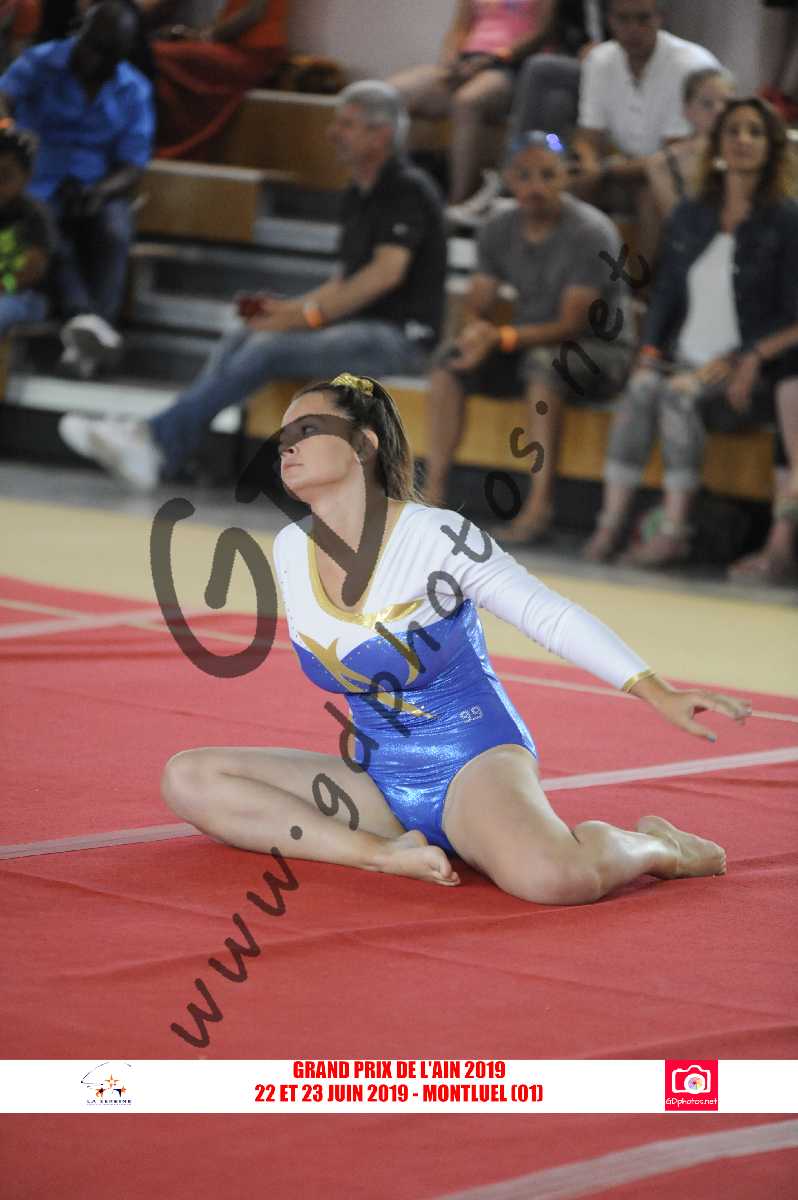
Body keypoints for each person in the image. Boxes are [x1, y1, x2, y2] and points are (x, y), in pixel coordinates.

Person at [160, 371, 750, 902]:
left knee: (554, 879)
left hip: (473, 762)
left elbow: (549, 616)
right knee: (188, 777)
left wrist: (655, 690)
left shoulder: (436, 536)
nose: (286, 445)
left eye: (308, 429)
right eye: (284, 434)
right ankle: (381, 854)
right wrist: (377, 840)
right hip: (378, 780)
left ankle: (657, 846)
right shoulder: (291, 547)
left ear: (364, 445)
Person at [58, 81, 447, 490]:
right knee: (244, 334)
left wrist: (306, 317)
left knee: (269, 348)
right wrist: (284, 312)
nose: (333, 133)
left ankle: (154, 439)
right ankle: (169, 452)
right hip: (356, 328)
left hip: (401, 339)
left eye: (347, 124)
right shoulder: (358, 192)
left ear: (380, 135)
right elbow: (343, 282)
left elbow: (385, 274)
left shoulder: (407, 189)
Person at [583, 98, 798, 574]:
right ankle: (609, 523)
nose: (743, 140)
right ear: (717, 144)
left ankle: (674, 531)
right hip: (680, 357)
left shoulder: (786, 220)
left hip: (741, 372)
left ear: (772, 147)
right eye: (733, 131)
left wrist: (746, 357)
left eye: (755, 132)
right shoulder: (691, 214)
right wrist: (650, 352)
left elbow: (793, 313)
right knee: (641, 389)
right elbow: (665, 294)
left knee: (678, 397)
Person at [423, 130, 634, 543]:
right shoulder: (498, 227)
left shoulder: (591, 232)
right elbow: (479, 301)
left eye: (547, 175)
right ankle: (432, 496)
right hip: (532, 340)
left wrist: (499, 337)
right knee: (450, 360)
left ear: (565, 177)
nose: (535, 186)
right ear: (508, 179)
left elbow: (572, 324)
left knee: (544, 367)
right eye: (524, 175)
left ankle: (539, 508)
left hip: (600, 350)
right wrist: (475, 333)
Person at [0, 1, 154, 377]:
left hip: (95, 186)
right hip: (35, 181)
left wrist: (99, 191)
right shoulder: (42, 61)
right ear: (80, 31)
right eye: (91, 44)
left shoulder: (133, 88)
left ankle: (92, 339)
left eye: (107, 52)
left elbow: (133, 164)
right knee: (45, 222)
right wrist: (9, 130)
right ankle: (84, 321)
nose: (93, 58)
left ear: (123, 52)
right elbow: (3, 97)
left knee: (114, 230)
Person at [570, 0, 720, 264]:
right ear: (610, 20)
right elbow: (588, 135)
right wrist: (588, 162)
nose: (633, 29)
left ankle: (641, 285)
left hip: (683, 173)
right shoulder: (599, 59)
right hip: (622, 167)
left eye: (642, 19)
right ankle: (579, 276)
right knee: (571, 181)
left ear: (660, 18)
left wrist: (604, 168)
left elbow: (673, 156)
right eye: (623, 19)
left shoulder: (690, 64)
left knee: (650, 194)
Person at [447, 0, 610, 227]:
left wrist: (604, 48)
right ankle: (546, 188)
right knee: (557, 105)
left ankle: (508, 179)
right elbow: (564, 32)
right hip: (573, 70)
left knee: (538, 67)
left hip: (613, 62)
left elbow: (627, 25)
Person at [389, 0, 553, 206]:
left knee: (467, 101)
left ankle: (458, 202)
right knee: (392, 93)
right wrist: (451, 61)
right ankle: (393, 192)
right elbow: (459, 28)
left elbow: (542, 31)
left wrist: (494, 58)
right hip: (467, 61)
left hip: (511, 64)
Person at [152, 0, 287, 160]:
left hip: (254, 51)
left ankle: (166, 142)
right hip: (235, 45)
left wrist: (205, 37)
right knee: (158, 52)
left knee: (159, 55)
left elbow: (255, 13)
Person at [646, 67, 734, 220]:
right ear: (686, 110)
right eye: (707, 103)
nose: (719, 110)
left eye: (727, 103)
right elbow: (677, 223)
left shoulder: (747, 153)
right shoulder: (661, 163)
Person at [0, 122, 53, 331]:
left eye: (6, 176)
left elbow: (30, 273)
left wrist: (3, 285)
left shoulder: (34, 215)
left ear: (26, 177)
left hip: (23, 296)